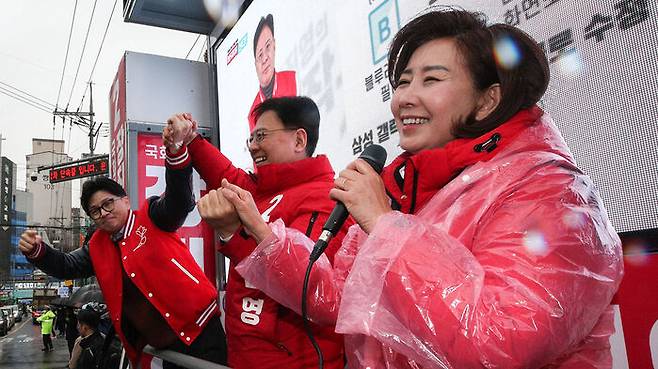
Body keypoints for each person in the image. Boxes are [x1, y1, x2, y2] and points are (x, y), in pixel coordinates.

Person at [235, 7, 624, 369]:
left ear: (488, 100)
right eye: (403, 82)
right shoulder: (403, 191)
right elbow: (337, 298)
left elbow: (501, 340)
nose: (405, 97)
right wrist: (262, 235)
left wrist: (385, 227)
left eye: (432, 79)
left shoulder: (551, 191)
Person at [165, 96, 350, 369]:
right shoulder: (265, 189)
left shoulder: (325, 198)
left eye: (261, 136)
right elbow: (225, 174)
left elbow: (309, 287)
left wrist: (232, 233)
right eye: (251, 138)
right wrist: (190, 139)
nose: (253, 146)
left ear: (299, 141)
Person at [19, 143, 227, 368]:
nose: (104, 213)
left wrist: (176, 154)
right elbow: (66, 265)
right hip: (161, 346)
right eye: (95, 211)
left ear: (125, 200)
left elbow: (179, 202)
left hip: (201, 330)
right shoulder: (97, 247)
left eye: (108, 203)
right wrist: (37, 251)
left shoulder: (151, 216)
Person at [247, 13, 297, 131]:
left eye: (268, 46)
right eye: (260, 55)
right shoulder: (253, 114)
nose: (265, 59)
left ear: (274, 46)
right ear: (255, 65)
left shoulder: (294, 79)